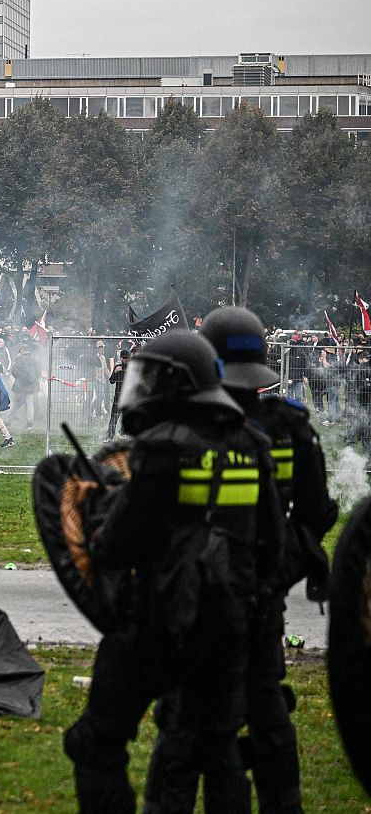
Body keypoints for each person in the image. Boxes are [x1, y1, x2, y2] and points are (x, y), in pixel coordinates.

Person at [63, 330, 283, 814]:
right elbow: (272, 543)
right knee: (219, 749)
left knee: (94, 742)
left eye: (148, 377)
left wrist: (100, 518)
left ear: (174, 383)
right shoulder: (251, 442)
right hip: (228, 626)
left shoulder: (162, 447)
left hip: (159, 623)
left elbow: (123, 544)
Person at [144, 308, 338, 814]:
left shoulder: (185, 432)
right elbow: (315, 515)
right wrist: (273, 574)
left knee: (184, 721)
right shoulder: (291, 427)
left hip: (192, 601)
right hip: (261, 597)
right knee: (267, 710)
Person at [8, 345, 41, 429]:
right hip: (31, 386)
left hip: (20, 385)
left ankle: (8, 420)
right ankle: (29, 423)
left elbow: (14, 371)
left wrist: (19, 379)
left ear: (22, 351)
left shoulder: (19, 360)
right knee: (30, 404)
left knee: (15, 403)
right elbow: (38, 373)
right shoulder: (34, 360)